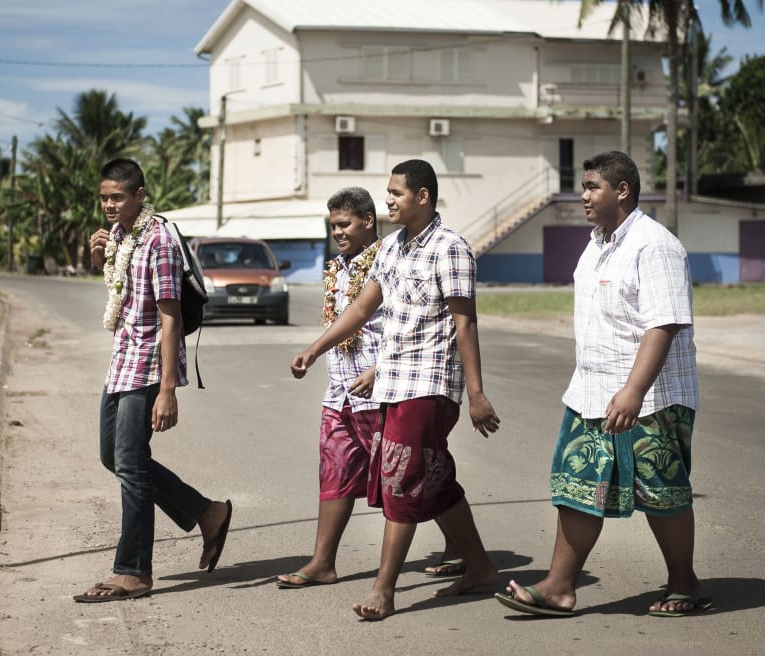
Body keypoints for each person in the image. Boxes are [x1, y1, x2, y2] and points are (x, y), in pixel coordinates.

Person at [494, 151, 705, 618]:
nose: (582, 195)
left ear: (622, 191)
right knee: (576, 484)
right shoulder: (596, 245)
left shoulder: (655, 245)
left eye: (592, 187)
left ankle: (684, 582)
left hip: (651, 397)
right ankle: (559, 587)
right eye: (584, 186)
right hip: (590, 391)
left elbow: (663, 325)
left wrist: (633, 391)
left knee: (661, 490)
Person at [290, 160, 501, 620]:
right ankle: (482, 567)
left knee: (400, 479)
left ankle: (384, 588)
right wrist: (315, 349)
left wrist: (477, 393)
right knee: (434, 476)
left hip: (429, 382)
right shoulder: (390, 250)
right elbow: (363, 308)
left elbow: (465, 322)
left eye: (396, 193)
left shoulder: (451, 249)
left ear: (422, 197)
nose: (388, 200)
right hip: (393, 383)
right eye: (388, 192)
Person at [278, 187, 461, 590]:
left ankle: (461, 545)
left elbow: (403, 321)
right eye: (333, 227)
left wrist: (380, 370)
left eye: (344, 224)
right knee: (335, 470)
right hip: (340, 389)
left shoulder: (389, 257)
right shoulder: (338, 267)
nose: (338, 233)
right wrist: (313, 352)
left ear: (367, 221)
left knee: (411, 473)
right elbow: (348, 319)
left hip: (381, 389)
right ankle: (323, 562)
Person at [74, 158, 232, 603]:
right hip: (121, 361)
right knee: (115, 457)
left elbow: (169, 318)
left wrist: (167, 390)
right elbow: (122, 298)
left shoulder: (158, 239)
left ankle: (133, 571)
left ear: (140, 196)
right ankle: (208, 513)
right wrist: (98, 260)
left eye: (117, 197)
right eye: (104, 196)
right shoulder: (121, 236)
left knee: (130, 463)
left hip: (147, 366)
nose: (108, 204)